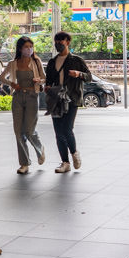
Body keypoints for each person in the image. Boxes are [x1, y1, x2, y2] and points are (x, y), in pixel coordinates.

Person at [0, 36, 46, 174]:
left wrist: (39, 80)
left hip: (32, 96)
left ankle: (40, 149)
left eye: (31, 47)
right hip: (18, 97)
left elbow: (44, 78)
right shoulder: (13, 63)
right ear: (20, 48)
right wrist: (11, 84)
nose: (29, 49)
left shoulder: (36, 62)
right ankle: (24, 163)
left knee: (29, 130)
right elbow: (1, 77)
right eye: (26, 47)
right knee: (18, 131)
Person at [44, 31, 90, 173]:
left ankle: (74, 153)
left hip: (72, 98)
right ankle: (65, 162)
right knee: (58, 131)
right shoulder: (52, 62)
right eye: (56, 41)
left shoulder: (77, 60)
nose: (58, 43)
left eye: (61, 41)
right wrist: (47, 87)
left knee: (67, 128)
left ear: (68, 42)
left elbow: (89, 77)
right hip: (56, 99)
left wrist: (79, 74)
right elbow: (49, 81)